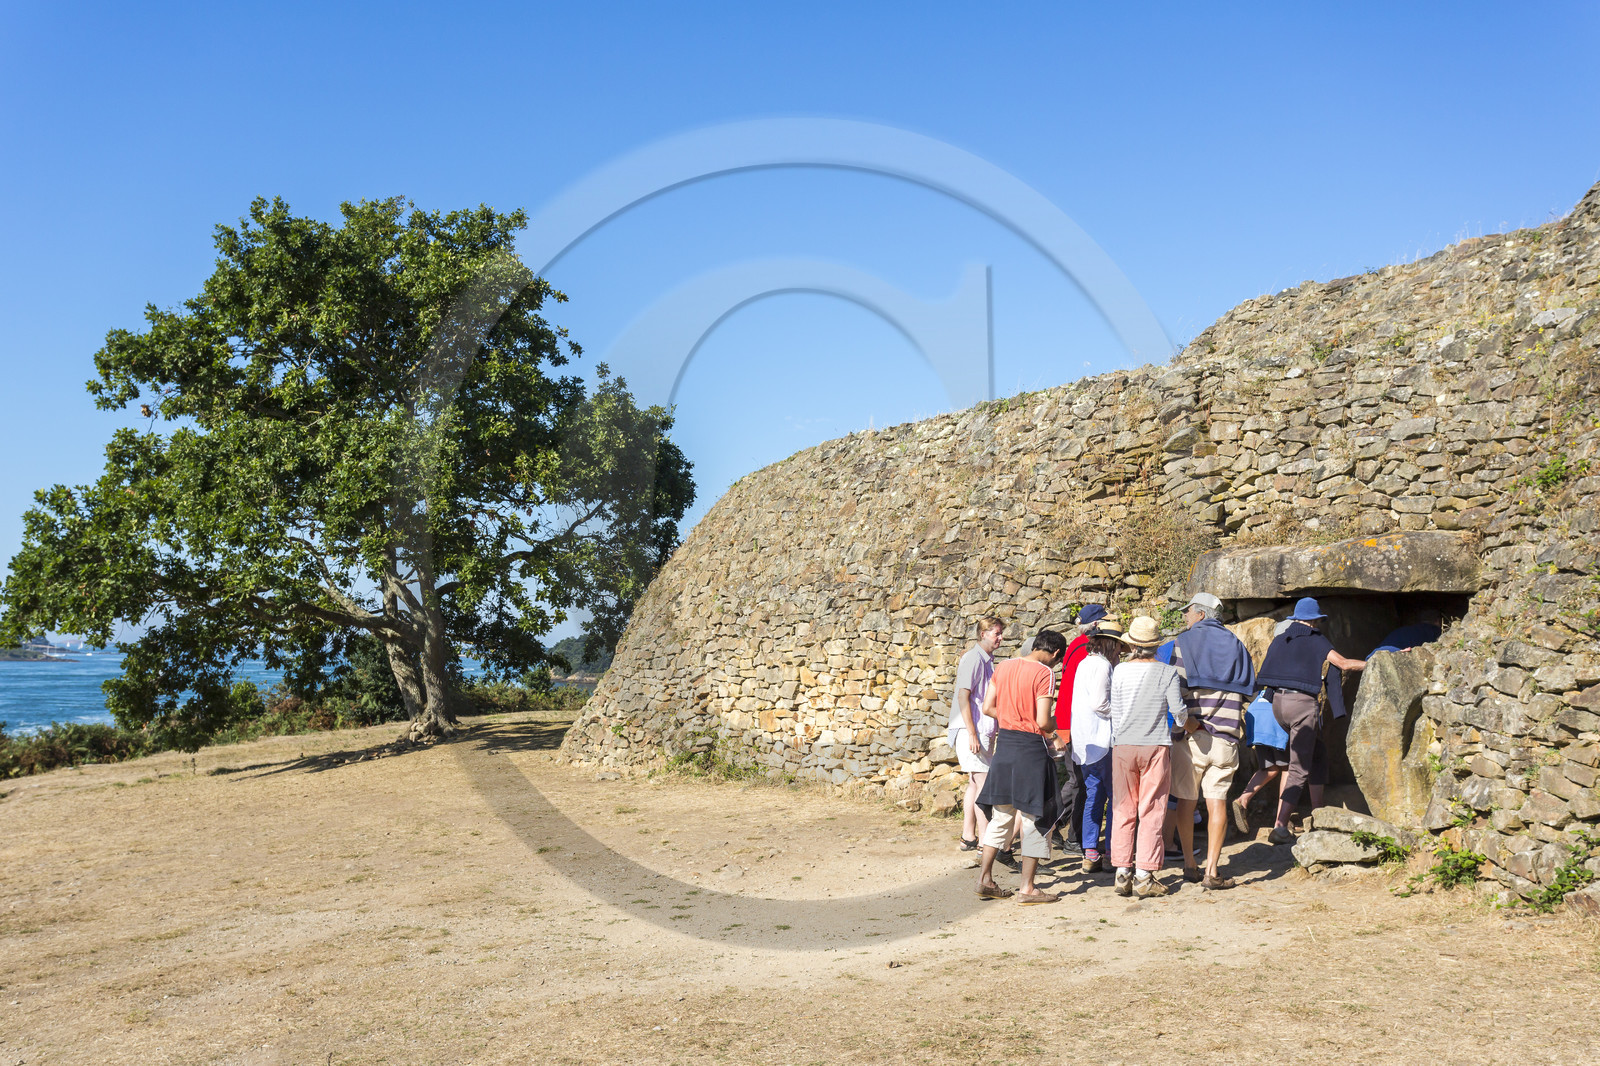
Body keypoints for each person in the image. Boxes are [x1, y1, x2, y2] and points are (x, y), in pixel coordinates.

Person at [1256, 597, 1367, 845]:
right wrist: (1374, 663)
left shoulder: (1281, 639)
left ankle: (1318, 815)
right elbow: (1343, 663)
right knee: (1298, 768)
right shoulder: (1316, 639)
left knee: (1317, 754)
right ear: (1315, 620)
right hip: (1301, 706)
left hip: (1278, 705)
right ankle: (1280, 826)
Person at [1166, 592, 1256, 890]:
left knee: (1186, 799)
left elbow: (1175, 689)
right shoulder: (1237, 644)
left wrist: (1185, 725)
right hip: (1226, 736)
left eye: (1188, 612)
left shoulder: (1184, 642)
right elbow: (1250, 691)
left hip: (1191, 736)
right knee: (1218, 801)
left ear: (1201, 614)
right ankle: (1213, 871)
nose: (1185, 617)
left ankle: (1190, 865)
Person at [974, 629, 1069, 904]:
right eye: (1058, 660)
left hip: (1005, 747)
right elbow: (1042, 720)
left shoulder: (1003, 666)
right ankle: (1027, 888)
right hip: (1030, 750)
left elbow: (988, 707)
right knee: (1033, 816)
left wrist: (1011, 717)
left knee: (1001, 815)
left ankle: (985, 879)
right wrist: (1056, 731)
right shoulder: (1044, 673)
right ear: (1056, 653)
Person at [1107, 616, 1187, 899]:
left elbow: (1114, 711)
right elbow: (1178, 711)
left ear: (1132, 644)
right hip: (1155, 744)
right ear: (1155, 645)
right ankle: (1144, 874)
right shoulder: (1167, 672)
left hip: (1123, 745)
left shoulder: (1119, 671)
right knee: (1151, 809)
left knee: (1123, 808)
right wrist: (1180, 726)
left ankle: (1122, 871)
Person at [1051, 603, 1109, 855]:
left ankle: (1052, 826)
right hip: (1076, 724)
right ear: (1096, 625)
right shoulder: (1087, 649)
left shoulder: (1078, 645)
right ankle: (1070, 836)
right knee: (1080, 782)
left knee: (1078, 780)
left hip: (1070, 721)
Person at [1070, 619, 1124, 873]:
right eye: (1119, 646)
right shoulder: (1102, 666)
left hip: (1084, 741)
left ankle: (1090, 851)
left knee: (1093, 795)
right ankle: (1113, 851)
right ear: (1110, 644)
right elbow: (1100, 703)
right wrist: (1122, 713)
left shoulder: (1084, 662)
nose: (1121, 651)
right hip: (1102, 740)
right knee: (1115, 798)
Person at [949, 616, 1004, 851]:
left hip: (980, 729)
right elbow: (963, 695)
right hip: (973, 730)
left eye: (1000, 633)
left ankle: (968, 836)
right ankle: (984, 841)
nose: (1000, 638)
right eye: (996, 633)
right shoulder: (973, 658)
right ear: (983, 634)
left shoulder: (986, 660)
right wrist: (972, 733)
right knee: (983, 783)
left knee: (974, 782)